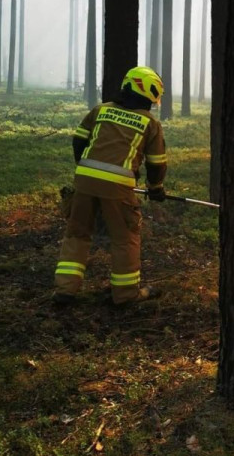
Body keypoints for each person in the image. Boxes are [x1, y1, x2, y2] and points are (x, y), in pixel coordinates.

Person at [54, 66, 168, 306]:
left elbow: (79, 141)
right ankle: (127, 296)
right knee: (125, 238)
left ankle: (65, 291)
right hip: (118, 188)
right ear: (148, 95)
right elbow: (157, 163)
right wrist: (155, 188)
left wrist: (88, 170)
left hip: (84, 180)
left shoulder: (101, 110)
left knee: (77, 234)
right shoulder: (150, 123)